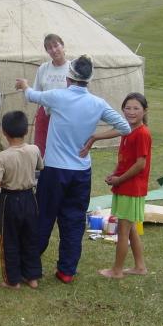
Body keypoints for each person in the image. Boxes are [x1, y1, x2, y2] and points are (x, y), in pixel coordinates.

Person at [15, 55, 131, 283]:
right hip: (81, 172)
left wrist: (24, 85)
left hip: (55, 170)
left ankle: (29, 267)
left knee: (44, 218)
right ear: (89, 79)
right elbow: (125, 127)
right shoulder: (98, 103)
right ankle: (67, 271)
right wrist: (95, 137)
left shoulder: (58, 97)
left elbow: (30, 95)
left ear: (69, 77)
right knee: (74, 221)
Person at [81, 93, 151, 279]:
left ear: (145, 111)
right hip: (125, 186)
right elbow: (124, 159)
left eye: (136, 108)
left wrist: (119, 180)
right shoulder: (128, 130)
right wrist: (115, 173)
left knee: (123, 229)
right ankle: (140, 267)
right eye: (127, 108)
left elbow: (140, 164)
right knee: (130, 227)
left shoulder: (142, 133)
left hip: (131, 188)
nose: (131, 112)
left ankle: (117, 270)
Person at [0, 111, 44, 289]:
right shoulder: (34, 149)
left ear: (4, 132)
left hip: (10, 200)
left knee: (9, 239)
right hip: (30, 198)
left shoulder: (2, 157)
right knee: (30, 237)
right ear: (26, 131)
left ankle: (12, 280)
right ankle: (32, 277)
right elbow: (40, 167)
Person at [32, 34, 69, 158]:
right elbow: (36, 92)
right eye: (49, 48)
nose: (53, 50)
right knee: (41, 148)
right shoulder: (43, 68)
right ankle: (41, 175)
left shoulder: (72, 68)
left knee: (61, 150)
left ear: (62, 45)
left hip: (65, 115)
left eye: (56, 45)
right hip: (45, 113)